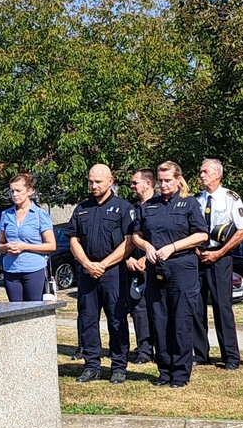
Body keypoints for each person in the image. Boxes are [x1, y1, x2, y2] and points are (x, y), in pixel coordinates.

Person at [133, 161, 209, 386]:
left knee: (181, 320)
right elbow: (135, 234)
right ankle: (164, 371)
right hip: (156, 269)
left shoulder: (189, 203)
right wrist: (146, 246)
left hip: (181, 267)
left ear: (178, 180)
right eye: (161, 180)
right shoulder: (150, 205)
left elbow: (202, 235)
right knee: (159, 319)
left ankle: (180, 373)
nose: (164, 185)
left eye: (168, 180)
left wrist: (174, 246)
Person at [68, 163, 134, 383]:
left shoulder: (124, 208)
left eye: (98, 181)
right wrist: (87, 263)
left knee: (116, 320)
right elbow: (74, 240)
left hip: (113, 273)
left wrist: (103, 264)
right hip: (87, 273)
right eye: (90, 181)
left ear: (110, 182)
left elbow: (129, 243)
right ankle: (91, 365)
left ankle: (118, 366)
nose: (93, 185)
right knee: (88, 320)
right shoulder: (81, 209)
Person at [194, 158, 243, 369]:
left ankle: (231, 357)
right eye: (201, 172)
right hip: (199, 257)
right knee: (196, 307)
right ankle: (200, 353)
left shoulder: (230, 199)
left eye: (205, 171)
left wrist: (220, 252)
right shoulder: (197, 200)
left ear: (218, 174)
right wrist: (197, 251)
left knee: (222, 307)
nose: (202, 175)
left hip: (221, 258)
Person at [0, 173, 56, 302]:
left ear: (30, 191)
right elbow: (0, 244)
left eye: (18, 190)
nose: (14, 194)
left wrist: (24, 247)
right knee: (15, 309)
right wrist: (6, 247)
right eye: (12, 191)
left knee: (33, 309)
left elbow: (51, 245)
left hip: (33, 269)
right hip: (11, 270)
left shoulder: (40, 215)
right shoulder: (6, 214)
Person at [123, 168, 155, 362]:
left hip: (157, 264)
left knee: (160, 311)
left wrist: (147, 258)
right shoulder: (130, 209)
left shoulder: (162, 205)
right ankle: (144, 351)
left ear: (148, 183)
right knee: (139, 310)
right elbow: (125, 239)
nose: (132, 186)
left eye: (135, 183)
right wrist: (128, 259)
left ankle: (163, 349)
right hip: (134, 267)